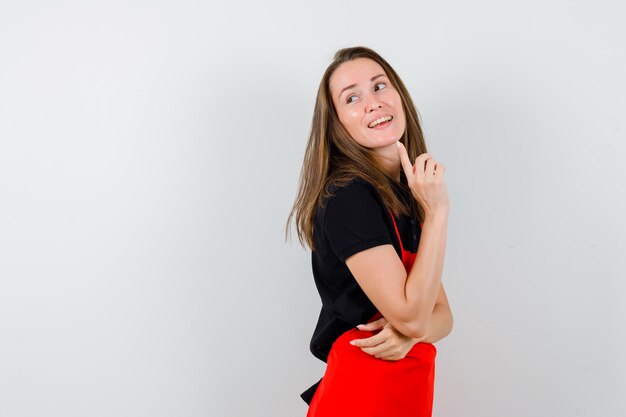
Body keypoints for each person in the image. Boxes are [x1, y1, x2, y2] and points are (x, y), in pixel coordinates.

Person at [285, 46, 453, 416]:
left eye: (380, 86)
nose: (373, 102)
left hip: (404, 393)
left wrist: (408, 331)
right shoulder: (349, 197)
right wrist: (438, 213)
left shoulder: (406, 196)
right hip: (360, 395)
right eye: (352, 97)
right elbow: (415, 315)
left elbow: (442, 316)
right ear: (337, 124)